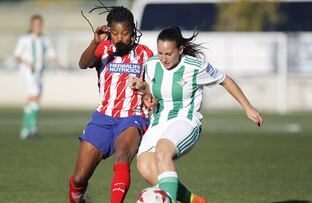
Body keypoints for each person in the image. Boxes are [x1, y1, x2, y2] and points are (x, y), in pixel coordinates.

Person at [129, 26, 263, 203]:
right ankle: (192, 200)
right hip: (158, 121)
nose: (163, 58)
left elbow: (225, 80)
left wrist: (248, 107)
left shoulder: (195, 67)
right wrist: (145, 91)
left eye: (168, 53)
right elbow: (153, 92)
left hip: (185, 121)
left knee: (163, 150)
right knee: (145, 166)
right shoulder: (152, 65)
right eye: (160, 52)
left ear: (180, 50)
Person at [68, 5, 153, 203]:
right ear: (108, 31)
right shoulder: (103, 50)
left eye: (124, 33)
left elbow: (154, 83)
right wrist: (94, 42)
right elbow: (83, 63)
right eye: (114, 33)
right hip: (103, 117)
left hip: (133, 116)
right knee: (79, 178)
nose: (119, 38)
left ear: (133, 32)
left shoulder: (145, 54)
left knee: (122, 158)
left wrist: (148, 91)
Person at [14, 14, 63, 140]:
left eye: (39, 24)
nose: (37, 26)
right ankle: (29, 130)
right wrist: (27, 62)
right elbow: (17, 56)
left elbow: (52, 54)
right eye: (35, 24)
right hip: (27, 72)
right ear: (31, 25)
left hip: (40, 73)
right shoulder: (24, 39)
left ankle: (28, 130)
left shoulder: (44, 39)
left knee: (34, 100)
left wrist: (60, 65)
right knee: (34, 96)